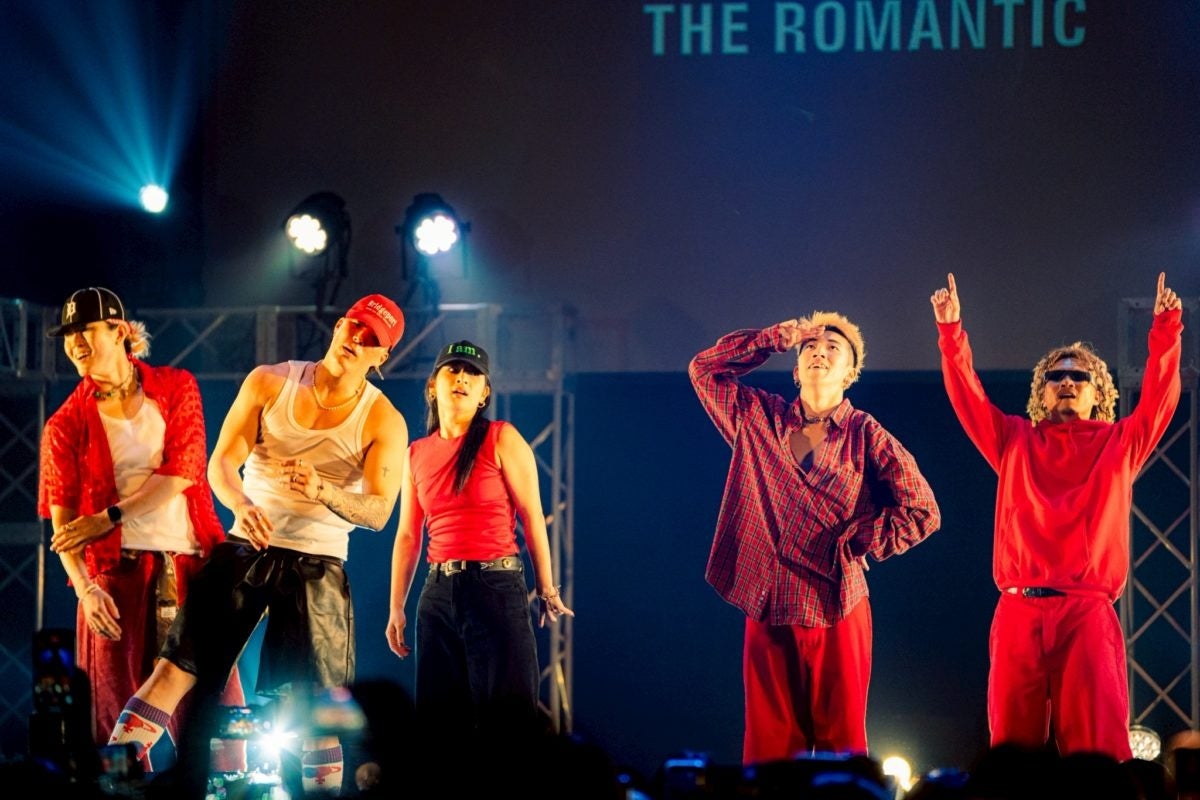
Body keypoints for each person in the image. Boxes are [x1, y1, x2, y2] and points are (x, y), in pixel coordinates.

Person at [106, 293, 409, 796]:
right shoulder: (270, 380)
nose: (357, 340)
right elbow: (222, 463)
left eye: (371, 339)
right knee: (172, 672)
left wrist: (324, 490)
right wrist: (241, 503)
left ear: (382, 356)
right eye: (355, 326)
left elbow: (378, 512)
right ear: (339, 325)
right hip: (248, 544)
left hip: (319, 562)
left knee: (320, 712)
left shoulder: (384, 419)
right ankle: (111, 785)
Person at [930, 271, 1183, 761]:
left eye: (1079, 376)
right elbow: (967, 397)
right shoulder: (1014, 440)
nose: (1066, 381)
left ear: (1097, 393)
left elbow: (1160, 397)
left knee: (1098, 753)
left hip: (1086, 612)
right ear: (1041, 393)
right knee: (1011, 755)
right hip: (1018, 610)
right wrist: (951, 331)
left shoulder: (1120, 444)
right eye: (1055, 376)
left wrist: (1167, 326)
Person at [689, 313, 941, 765]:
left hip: (836, 604)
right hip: (768, 601)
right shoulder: (758, 417)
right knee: (769, 746)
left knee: (840, 744)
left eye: (832, 348)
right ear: (795, 367)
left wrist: (862, 538)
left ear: (850, 372)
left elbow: (923, 510)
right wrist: (771, 338)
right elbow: (703, 370)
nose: (818, 352)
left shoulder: (865, 434)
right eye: (809, 347)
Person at [36, 286, 244, 771]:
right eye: (68, 335)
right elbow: (66, 529)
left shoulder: (175, 386)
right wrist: (85, 589)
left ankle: (227, 788)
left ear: (120, 332)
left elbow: (185, 470)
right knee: (116, 717)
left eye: (85, 330)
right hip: (115, 578)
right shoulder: (64, 425)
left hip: (190, 568)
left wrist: (107, 517)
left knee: (217, 710)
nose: (75, 343)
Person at [385, 340, 574, 751]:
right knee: (438, 728)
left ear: (484, 393)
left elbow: (533, 516)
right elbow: (408, 535)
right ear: (432, 385)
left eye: (473, 374)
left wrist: (546, 588)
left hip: (495, 589)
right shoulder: (415, 454)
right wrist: (396, 606)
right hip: (437, 594)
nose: (462, 379)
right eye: (453, 370)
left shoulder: (502, 438)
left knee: (506, 724)